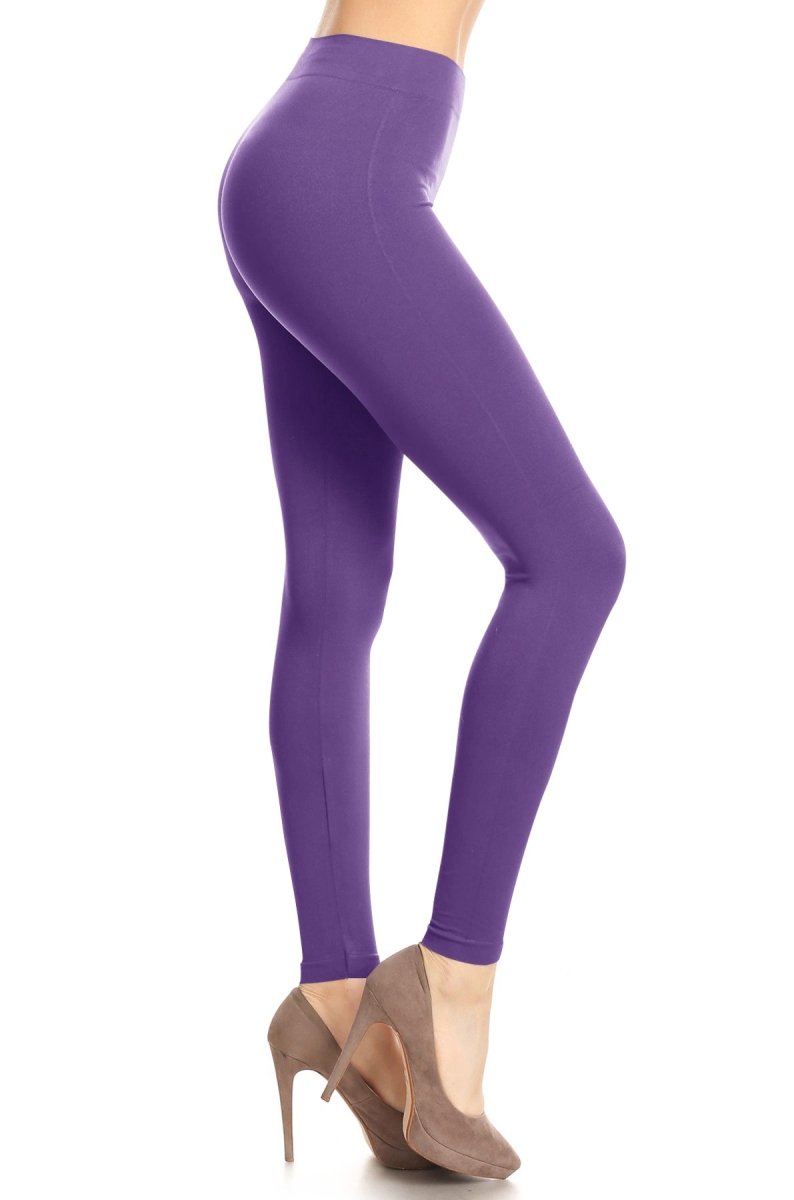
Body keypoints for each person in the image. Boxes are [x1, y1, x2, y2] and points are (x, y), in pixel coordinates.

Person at [217, 0, 626, 1178]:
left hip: (311, 144)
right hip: (348, 153)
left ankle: (338, 989)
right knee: (572, 557)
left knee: (334, 593)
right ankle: (450, 978)